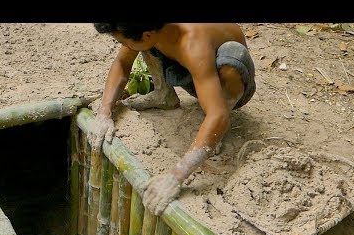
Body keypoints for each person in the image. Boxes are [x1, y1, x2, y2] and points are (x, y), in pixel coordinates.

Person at [88, 23, 256, 216]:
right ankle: (164, 95)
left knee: (233, 56)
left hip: (226, 75)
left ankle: (217, 128)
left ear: (148, 34)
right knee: (137, 45)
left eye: (120, 40)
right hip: (191, 68)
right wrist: (104, 112)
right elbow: (122, 63)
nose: (120, 44)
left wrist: (175, 176)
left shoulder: (194, 46)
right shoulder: (150, 27)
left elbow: (217, 115)